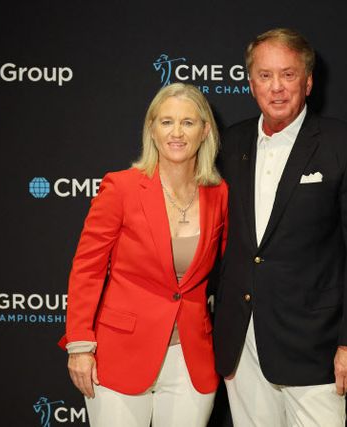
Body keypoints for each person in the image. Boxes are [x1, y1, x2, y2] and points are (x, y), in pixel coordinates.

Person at [213, 28, 347, 426]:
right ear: (250, 82)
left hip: (316, 344)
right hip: (242, 343)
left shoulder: (346, 145)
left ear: (307, 82)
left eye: (288, 75)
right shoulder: (229, 144)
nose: (276, 87)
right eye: (265, 75)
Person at [59, 83, 227, 427]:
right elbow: (88, 268)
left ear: (205, 131)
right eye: (166, 122)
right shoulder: (121, 187)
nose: (176, 133)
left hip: (190, 360)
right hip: (121, 355)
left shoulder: (219, 193)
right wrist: (80, 345)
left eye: (188, 122)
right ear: (152, 129)